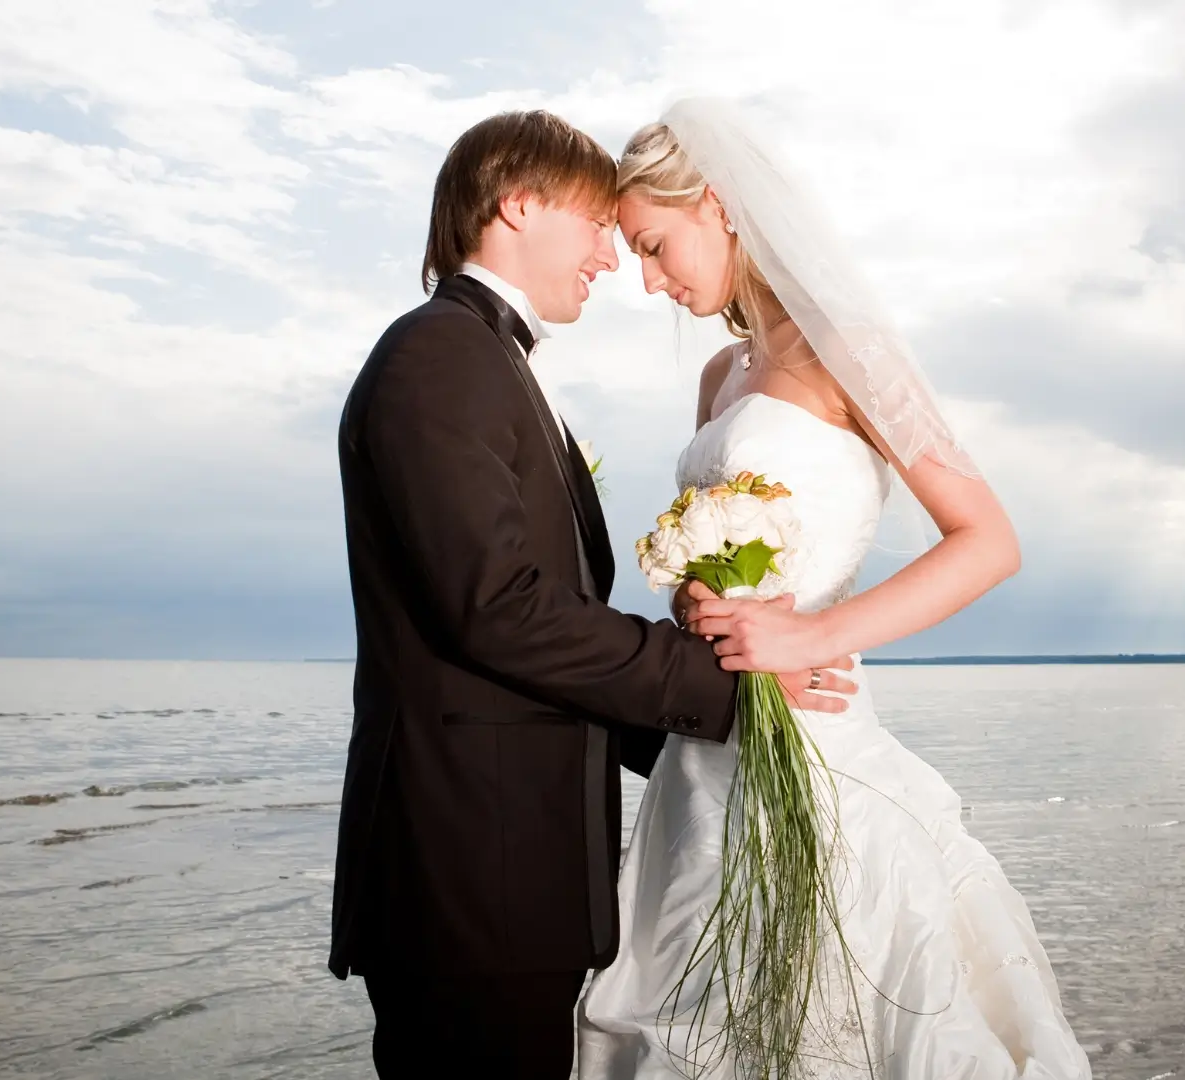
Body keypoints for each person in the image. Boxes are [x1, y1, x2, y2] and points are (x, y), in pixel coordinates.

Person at [329, 109, 856, 1080]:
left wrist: (716, 748)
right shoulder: (439, 355)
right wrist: (723, 690)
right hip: (465, 877)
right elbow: (500, 610)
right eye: (595, 226)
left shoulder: (491, 362)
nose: (612, 260)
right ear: (518, 206)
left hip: (511, 878)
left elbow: (540, 629)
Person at [576, 98, 1095, 1079]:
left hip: (815, 737)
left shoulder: (846, 350)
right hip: (707, 753)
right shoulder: (722, 376)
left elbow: (988, 542)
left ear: (717, 203)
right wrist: (696, 602)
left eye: (653, 246)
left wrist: (812, 637)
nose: (649, 281)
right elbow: (727, 554)